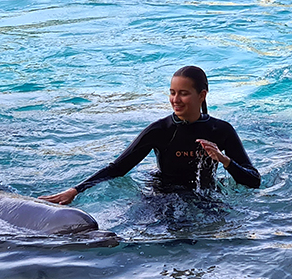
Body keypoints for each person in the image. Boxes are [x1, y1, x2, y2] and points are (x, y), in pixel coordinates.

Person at [39, 66, 261, 205]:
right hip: (163, 196)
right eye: (172, 93)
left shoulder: (221, 131)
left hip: (206, 196)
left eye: (183, 94)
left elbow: (253, 181)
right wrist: (76, 190)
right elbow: (118, 168)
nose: (175, 99)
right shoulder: (159, 130)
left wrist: (225, 161)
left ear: (202, 95)